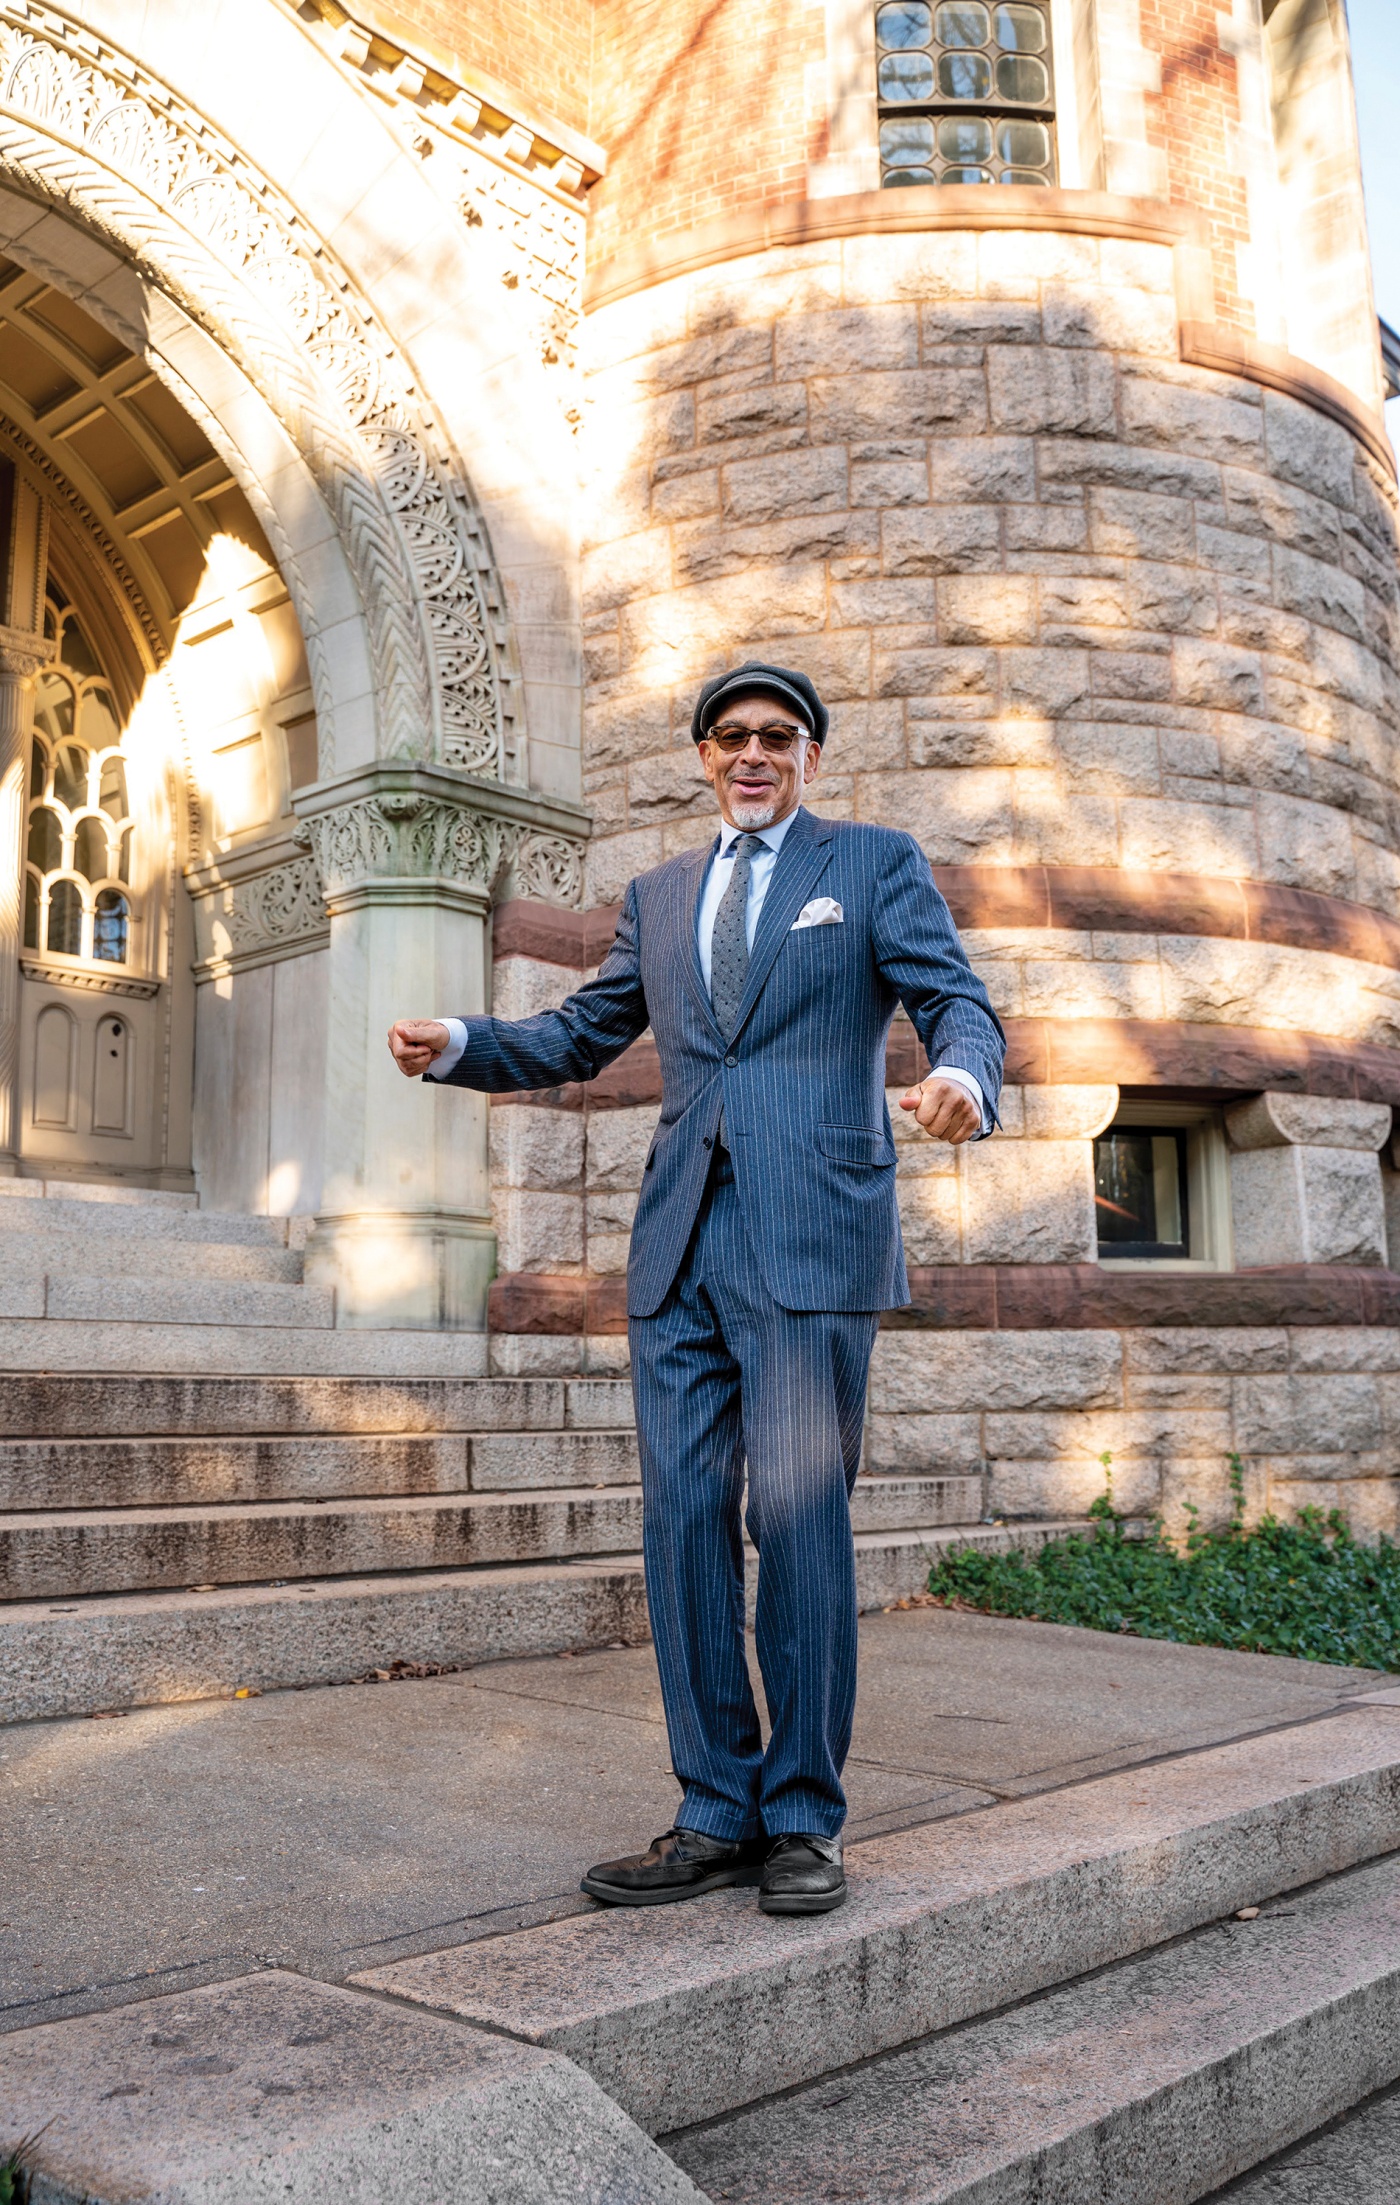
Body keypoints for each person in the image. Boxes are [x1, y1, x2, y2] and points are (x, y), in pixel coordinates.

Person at [388, 661, 1004, 1916]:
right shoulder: (659, 896)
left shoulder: (872, 866)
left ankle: (802, 1820)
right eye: (731, 737)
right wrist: (461, 1044)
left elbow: (956, 1001)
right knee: (678, 1527)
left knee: (796, 1527)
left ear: (810, 758)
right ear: (705, 755)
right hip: (678, 1247)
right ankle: (713, 1809)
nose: (753, 754)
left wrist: (963, 1081)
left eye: (778, 736)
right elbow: (579, 1034)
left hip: (809, 1243)